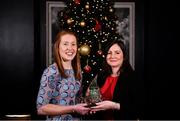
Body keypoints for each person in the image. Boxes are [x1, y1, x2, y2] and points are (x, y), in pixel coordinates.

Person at [36, 30, 90, 120]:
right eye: (65, 44)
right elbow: (41, 109)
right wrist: (73, 109)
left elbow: (75, 102)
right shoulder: (51, 72)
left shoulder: (77, 71)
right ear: (58, 47)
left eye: (73, 44)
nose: (70, 48)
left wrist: (87, 99)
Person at [86, 40, 141, 120]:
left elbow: (139, 108)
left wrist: (114, 105)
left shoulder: (133, 78)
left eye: (117, 53)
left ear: (124, 56)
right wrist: (90, 102)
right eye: (109, 53)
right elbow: (89, 95)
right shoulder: (101, 76)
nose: (112, 56)